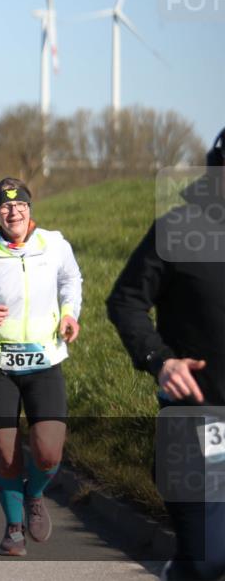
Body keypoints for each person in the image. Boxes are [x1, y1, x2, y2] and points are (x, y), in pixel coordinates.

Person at [107, 130, 225, 581]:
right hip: (197, 423)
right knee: (209, 558)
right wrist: (160, 360)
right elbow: (125, 301)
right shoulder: (180, 228)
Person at [0, 177, 82, 556]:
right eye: (5, 207)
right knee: (8, 455)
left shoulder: (53, 245)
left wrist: (70, 313)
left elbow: (71, 279)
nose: (13, 212)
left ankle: (35, 495)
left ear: (30, 208)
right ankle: (13, 528)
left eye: (20, 204)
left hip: (44, 362)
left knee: (48, 454)